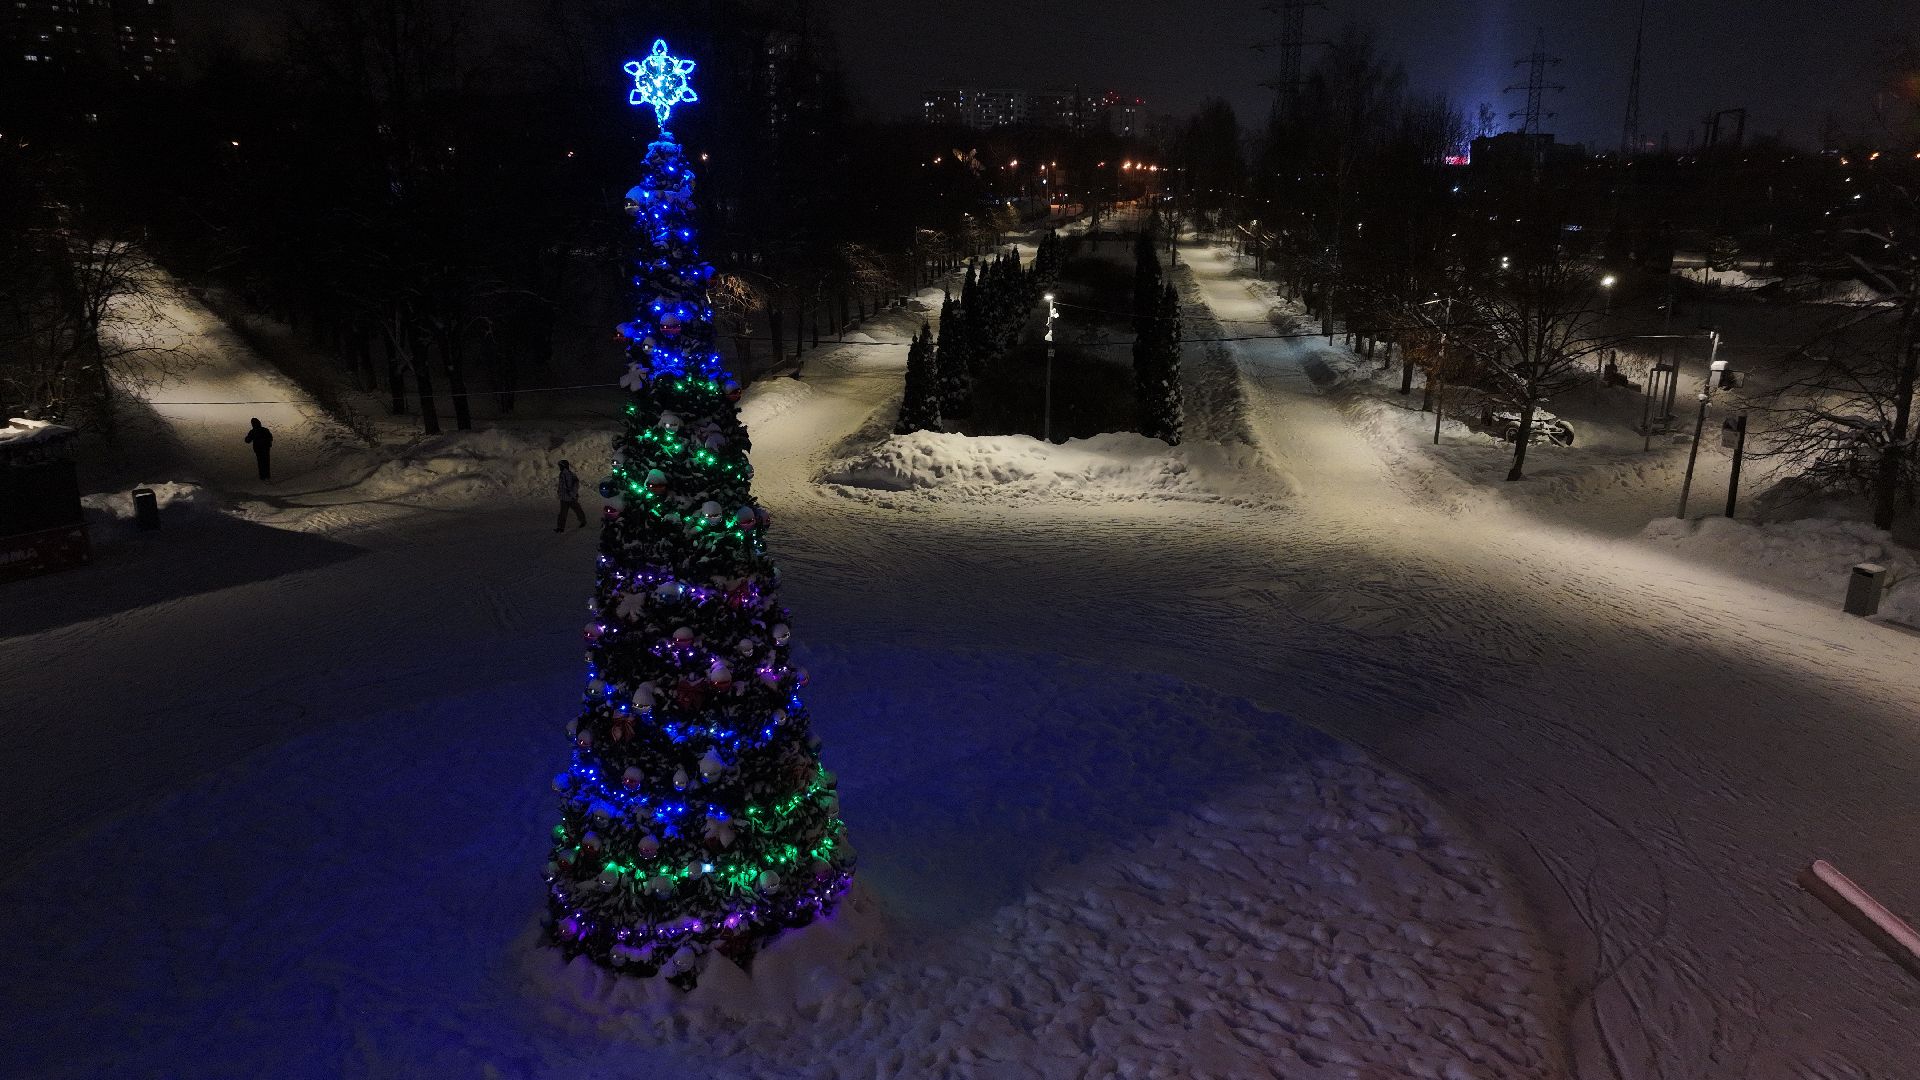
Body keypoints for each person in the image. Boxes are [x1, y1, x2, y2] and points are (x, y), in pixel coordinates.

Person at [555, 459, 586, 532]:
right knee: (564, 513)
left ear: (564, 466)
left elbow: (576, 485)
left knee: (577, 510)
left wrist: (572, 494)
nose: (559, 467)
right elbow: (561, 486)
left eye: (560, 466)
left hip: (570, 498)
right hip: (565, 497)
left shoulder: (570, 475)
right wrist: (560, 493)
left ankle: (583, 521)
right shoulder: (562, 474)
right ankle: (560, 527)